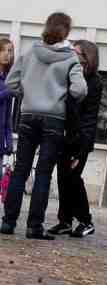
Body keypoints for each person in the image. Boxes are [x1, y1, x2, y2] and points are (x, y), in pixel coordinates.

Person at [0, 13, 87, 239]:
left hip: (28, 115)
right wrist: (60, 95)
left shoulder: (29, 52)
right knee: (43, 174)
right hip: (54, 120)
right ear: (66, 32)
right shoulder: (70, 58)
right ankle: (34, 226)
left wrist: (28, 94)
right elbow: (80, 90)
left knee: (20, 170)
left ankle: (8, 223)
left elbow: (11, 83)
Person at [48, 40, 102, 238]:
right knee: (63, 178)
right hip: (65, 135)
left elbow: (90, 117)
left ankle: (86, 221)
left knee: (73, 178)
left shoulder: (94, 81)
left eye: (76, 52)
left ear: (86, 57)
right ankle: (65, 221)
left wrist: (82, 147)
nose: (72, 54)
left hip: (81, 139)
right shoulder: (70, 76)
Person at [0, 38, 15, 157]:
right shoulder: (9, 87)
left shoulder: (9, 79)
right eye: (2, 50)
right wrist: (8, 92)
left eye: (9, 51)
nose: (6, 54)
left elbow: (8, 115)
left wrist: (9, 140)